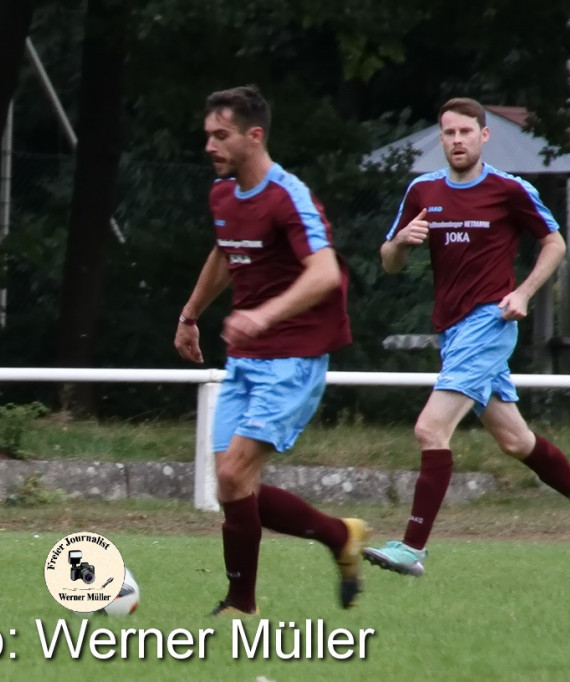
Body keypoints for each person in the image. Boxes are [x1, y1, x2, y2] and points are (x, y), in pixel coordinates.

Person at [364, 97, 570, 577]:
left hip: (490, 324)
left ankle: (414, 548)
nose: (457, 140)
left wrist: (523, 292)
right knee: (515, 440)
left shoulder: (509, 189)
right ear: (440, 139)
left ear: (484, 136)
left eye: (466, 132)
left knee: (430, 429)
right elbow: (389, 261)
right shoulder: (423, 191)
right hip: (452, 330)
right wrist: (400, 243)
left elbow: (555, 242)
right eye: (449, 133)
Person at [175, 85, 370, 616]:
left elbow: (326, 272)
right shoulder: (223, 196)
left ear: (253, 136)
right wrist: (191, 315)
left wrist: (262, 315)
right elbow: (224, 252)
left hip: (294, 357)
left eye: (222, 136)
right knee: (233, 485)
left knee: (235, 475)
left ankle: (242, 607)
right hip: (245, 359)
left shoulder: (289, 196)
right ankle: (339, 536)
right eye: (208, 135)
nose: (210, 146)